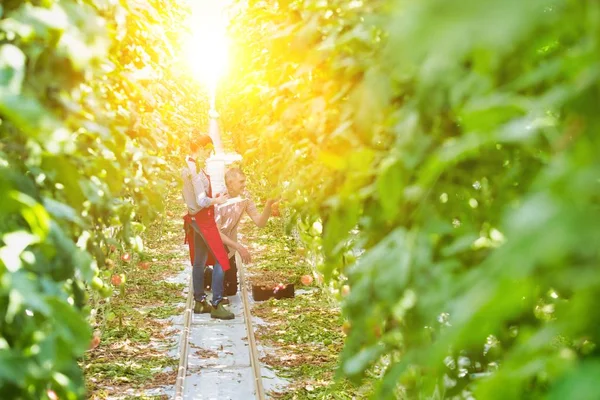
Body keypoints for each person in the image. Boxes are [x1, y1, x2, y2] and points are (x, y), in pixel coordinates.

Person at [181, 134, 234, 320]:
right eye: (208, 151)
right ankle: (217, 303)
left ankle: (199, 301)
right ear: (202, 148)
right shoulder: (193, 169)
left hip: (195, 218)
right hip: (203, 219)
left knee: (200, 260)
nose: (208, 155)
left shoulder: (188, 165)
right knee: (221, 258)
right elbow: (201, 200)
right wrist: (217, 200)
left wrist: (213, 198)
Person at [214, 167, 279, 296]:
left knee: (231, 290)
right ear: (230, 184)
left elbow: (260, 222)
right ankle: (206, 274)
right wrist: (239, 247)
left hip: (230, 246)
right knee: (221, 285)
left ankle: (213, 274)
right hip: (215, 243)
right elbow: (216, 234)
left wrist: (268, 205)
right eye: (241, 182)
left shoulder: (245, 197)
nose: (245, 185)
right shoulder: (218, 199)